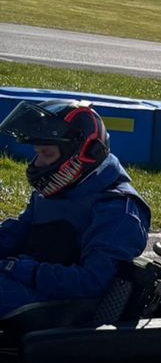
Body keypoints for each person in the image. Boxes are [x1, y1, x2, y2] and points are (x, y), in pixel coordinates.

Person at [0, 99, 151, 317]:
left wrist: (25, 270)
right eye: (38, 153)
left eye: (47, 154)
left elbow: (92, 282)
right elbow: (16, 235)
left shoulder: (118, 207)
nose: (38, 163)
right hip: (32, 288)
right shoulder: (54, 194)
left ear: (85, 152)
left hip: (66, 310)